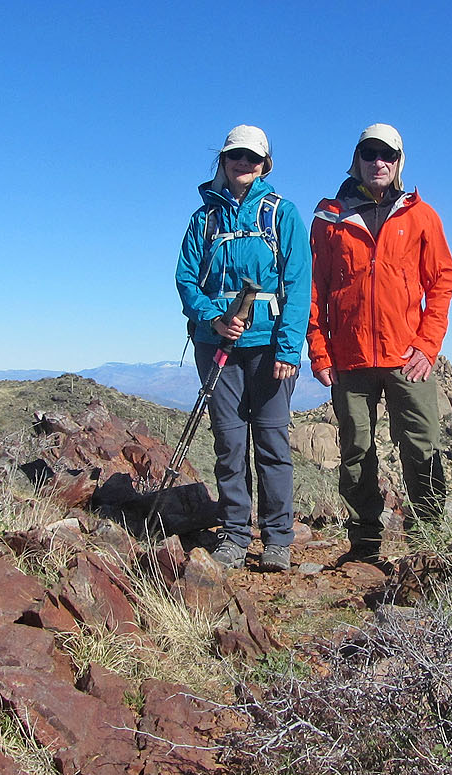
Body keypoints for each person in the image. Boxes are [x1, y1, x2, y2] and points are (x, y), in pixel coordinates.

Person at [306, 123, 452, 562]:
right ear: (357, 159)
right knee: (356, 450)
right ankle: (364, 545)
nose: (378, 162)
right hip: (349, 357)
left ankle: (429, 543)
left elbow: (441, 280)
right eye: (370, 153)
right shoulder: (329, 218)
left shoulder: (420, 215)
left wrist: (428, 345)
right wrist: (319, 351)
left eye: (387, 154)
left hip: (406, 355)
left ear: (399, 161)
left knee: (422, 445)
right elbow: (313, 290)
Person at [175, 124, 310, 571]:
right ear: (224, 160)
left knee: (272, 442)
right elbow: (186, 279)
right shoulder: (204, 220)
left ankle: (277, 539)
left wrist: (289, 349)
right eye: (236, 156)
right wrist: (214, 318)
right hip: (218, 345)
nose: (243, 164)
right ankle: (233, 534)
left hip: (269, 347)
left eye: (252, 158)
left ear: (264, 164)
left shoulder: (282, 214)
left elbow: (298, 283)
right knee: (229, 442)